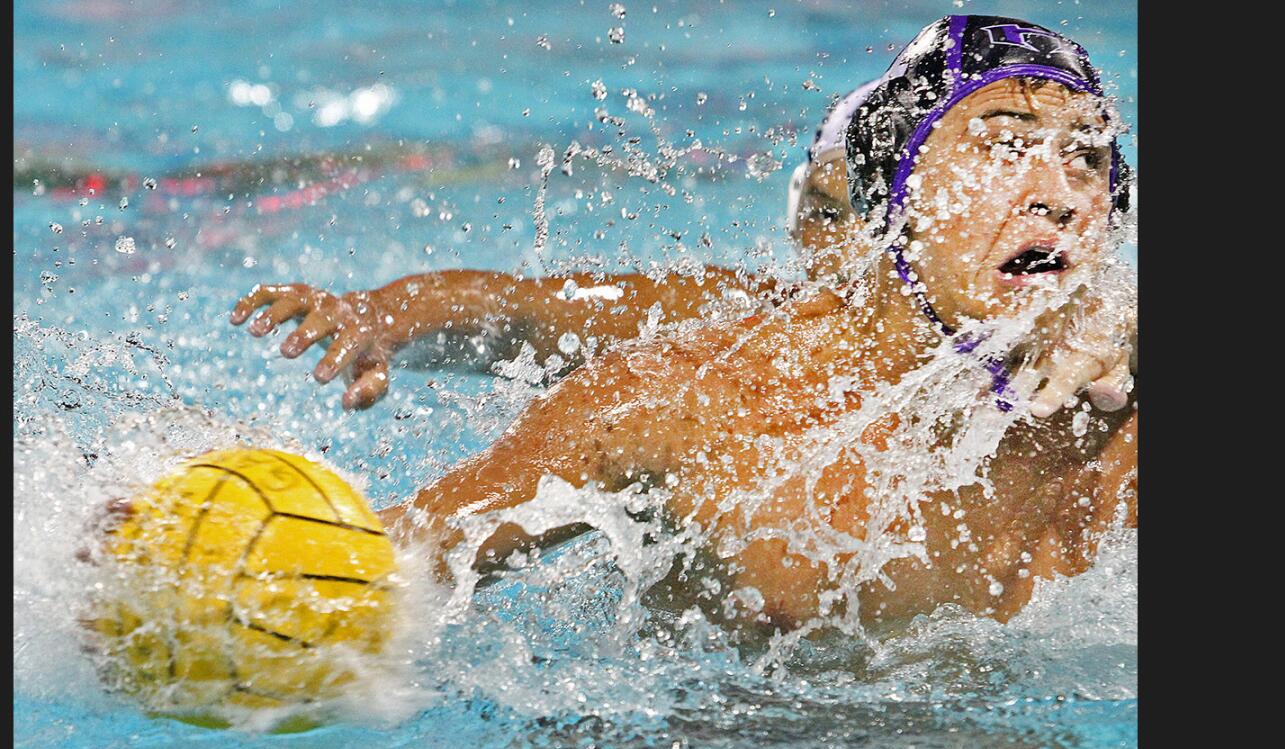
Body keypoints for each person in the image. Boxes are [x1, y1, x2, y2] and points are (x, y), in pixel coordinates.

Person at [237, 14, 1138, 634]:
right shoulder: (701, 391)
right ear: (879, 212)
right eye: (1005, 143)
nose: (1058, 194)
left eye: (1088, 159)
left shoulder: (1115, 409)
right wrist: (383, 317)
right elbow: (397, 558)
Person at [230, 83, 878, 409]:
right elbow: (529, 316)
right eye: (828, 212)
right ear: (795, 223)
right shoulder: (753, 325)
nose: (858, 251)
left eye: (884, 215)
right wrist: (381, 317)